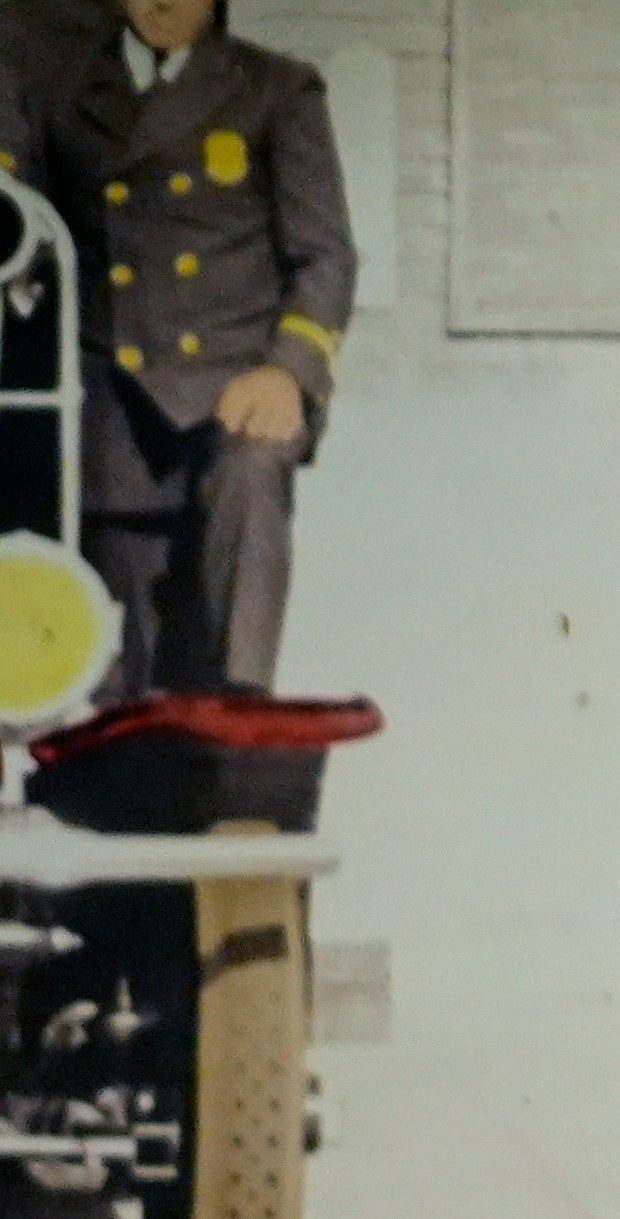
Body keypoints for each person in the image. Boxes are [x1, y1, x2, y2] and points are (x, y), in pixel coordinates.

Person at [45, 0, 352, 700]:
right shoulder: (62, 90)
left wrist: (288, 370)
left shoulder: (276, 88)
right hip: (113, 408)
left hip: (233, 389)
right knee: (120, 675)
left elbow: (326, 257)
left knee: (251, 483)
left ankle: (243, 737)